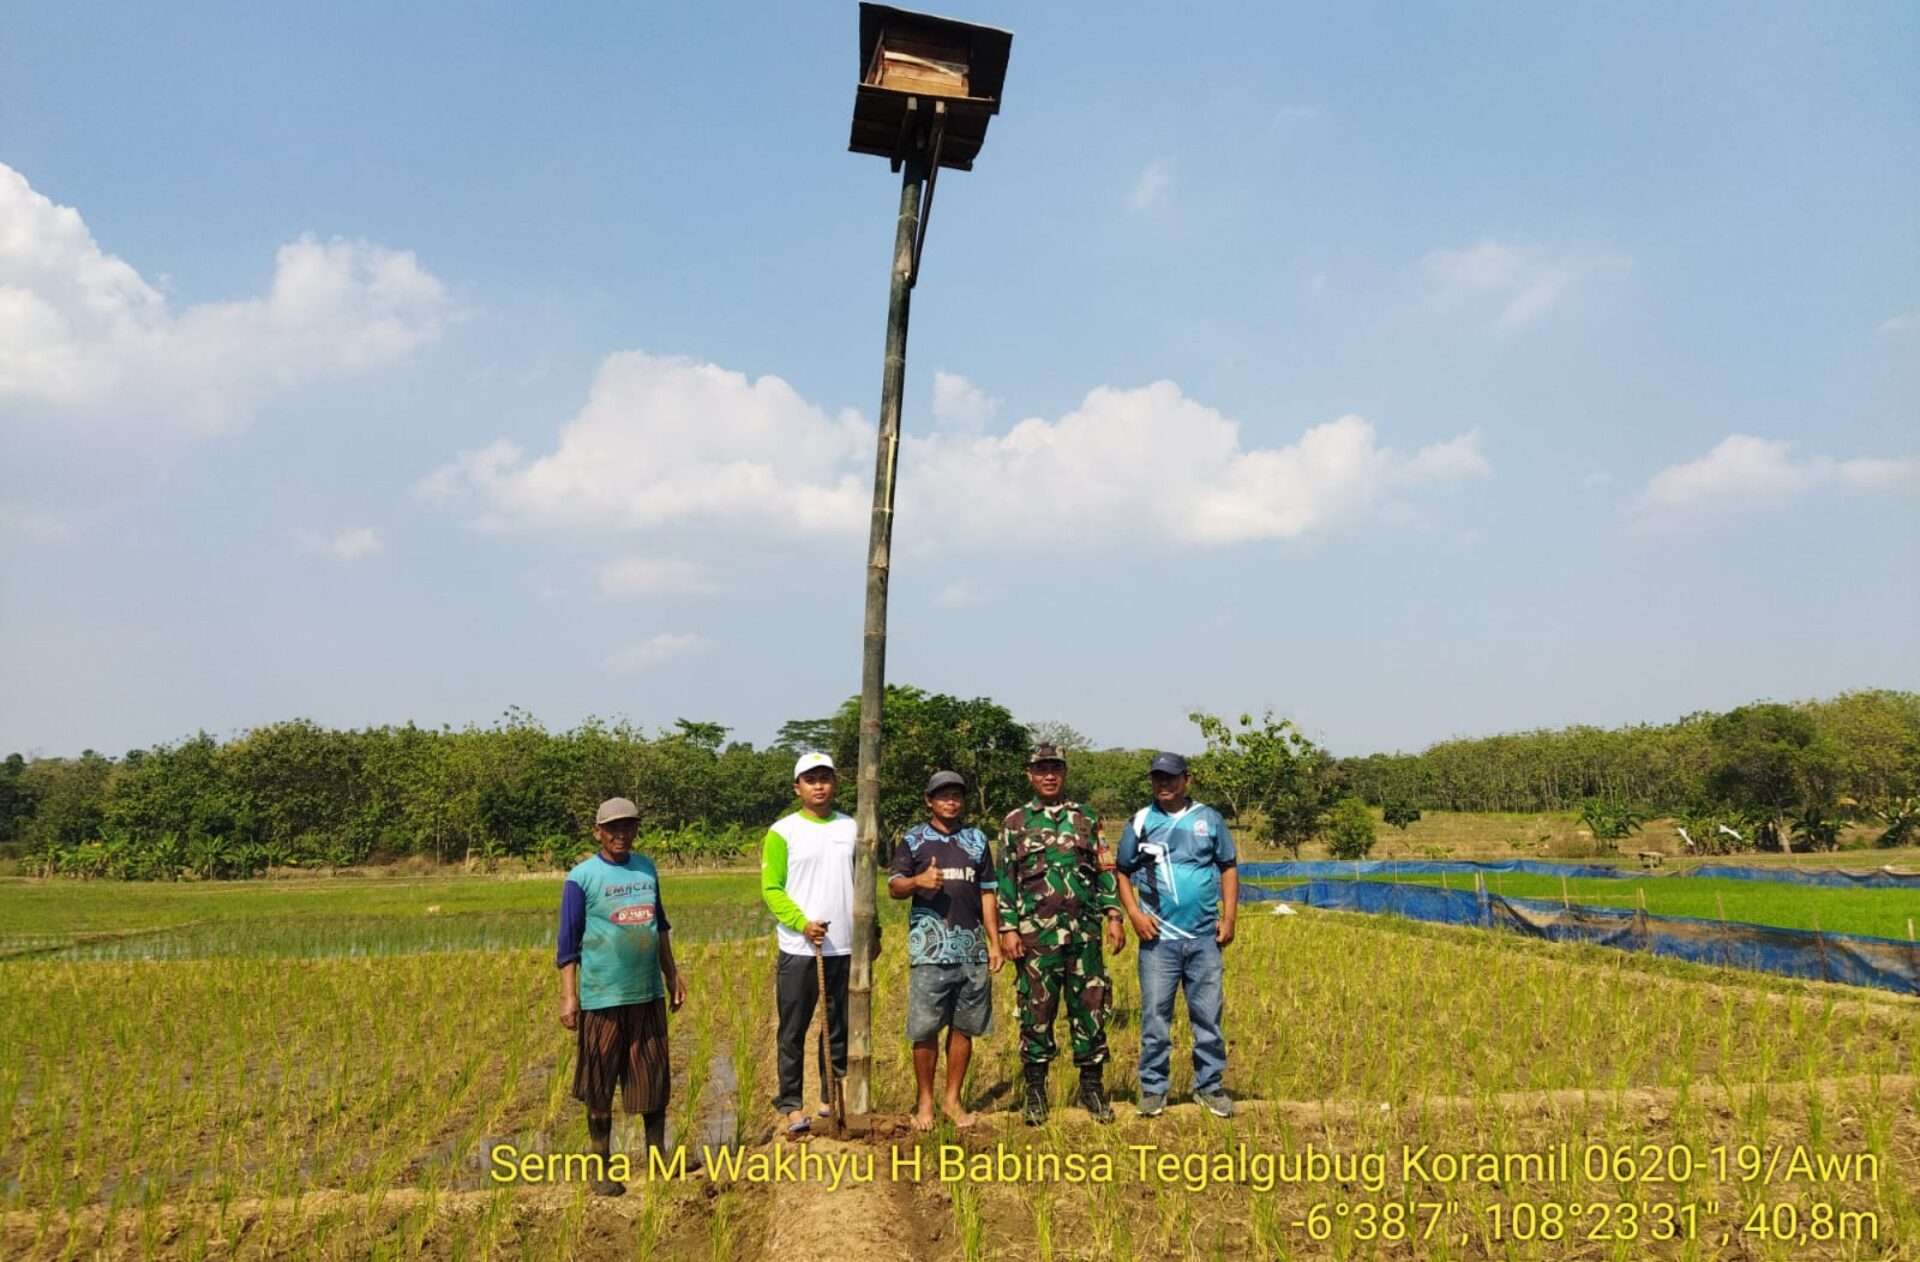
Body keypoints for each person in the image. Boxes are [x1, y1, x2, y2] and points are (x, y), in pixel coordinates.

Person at [555, 797, 688, 1197]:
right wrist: (569, 996)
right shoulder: (581, 878)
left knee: (652, 1080)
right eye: (612, 828)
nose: (620, 834)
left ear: (636, 829)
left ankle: (658, 1159)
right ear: (598, 832)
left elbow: (658, 926)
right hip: (602, 998)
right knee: (599, 1087)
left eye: (628, 827)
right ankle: (601, 1167)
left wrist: (672, 974)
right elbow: (567, 943)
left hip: (645, 994)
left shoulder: (647, 869)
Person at [997, 743, 1126, 1125]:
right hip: (1035, 939)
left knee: (1090, 1010)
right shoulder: (1015, 822)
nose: (1049, 775)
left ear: (1064, 773)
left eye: (1055, 768)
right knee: (1036, 1012)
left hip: (1084, 936)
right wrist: (1008, 927)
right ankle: (1035, 1092)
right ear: (1030, 775)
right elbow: (1006, 879)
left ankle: (1092, 1088)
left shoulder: (1086, 817)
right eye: (1041, 769)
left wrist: (1114, 914)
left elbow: (1105, 868)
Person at [1115, 752, 1239, 1119]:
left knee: (1207, 1017)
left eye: (1170, 778)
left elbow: (1228, 867)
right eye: (1157, 778)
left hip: (1204, 939)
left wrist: (1229, 917)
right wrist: (1134, 914)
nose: (1163, 784)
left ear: (1187, 779)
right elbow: (1122, 872)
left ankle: (1209, 1087)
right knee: (1155, 1018)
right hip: (1158, 942)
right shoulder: (1140, 821)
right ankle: (1153, 1090)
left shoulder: (1208, 819)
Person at [887, 770, 1005, 1130]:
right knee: (925, 1030)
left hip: (971, 949)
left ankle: (952, 1100)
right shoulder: (914, 840)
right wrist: (918, 882)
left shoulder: (976, 840)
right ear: (929, 800)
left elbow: (987, 892)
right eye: (943, 796)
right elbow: (894, 886)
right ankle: (925, 1102)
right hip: (930, 951)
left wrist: (995, 942)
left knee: (964, 1028)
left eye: (956, 795)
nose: (950, 801)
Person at [760, 751, 856, 1138]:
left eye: (825, 778)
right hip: (801, 948)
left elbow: (862, 882)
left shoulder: (852, 826)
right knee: (794, 1028)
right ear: (797, 787)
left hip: (844, 946)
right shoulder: (782, 832)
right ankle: (790, 1104)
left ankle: (830, 1097)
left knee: (836, 1028)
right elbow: (772, 888)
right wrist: (802, 923)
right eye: (811, 779)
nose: (819, 785)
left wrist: (873, 931)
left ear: (835, 783)